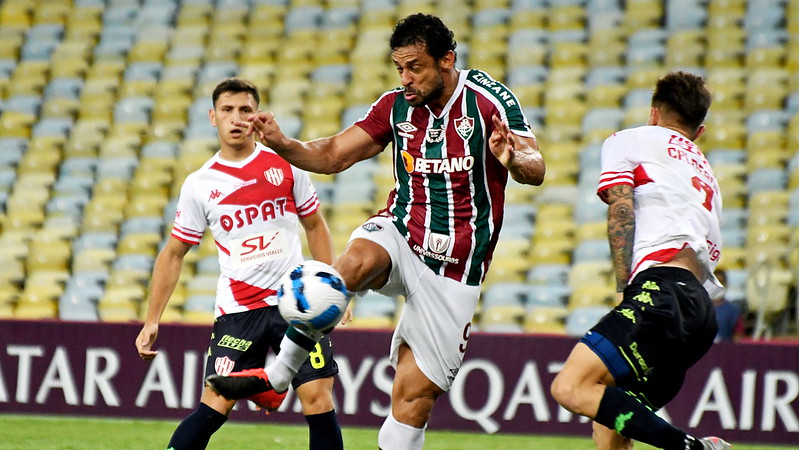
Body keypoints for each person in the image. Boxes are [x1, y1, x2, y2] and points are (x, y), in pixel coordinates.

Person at [206, 13, 545, 449]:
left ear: (446, 60)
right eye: (399, 68)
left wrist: (512, 158)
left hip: (456, 269)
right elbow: (333, 154)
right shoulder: (395, 106)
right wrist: (283, 144)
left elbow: (536, 168)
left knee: (412, 402)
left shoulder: (487, 100)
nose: (405, 79)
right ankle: (278, 375)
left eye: (415, 68)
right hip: (401, 231)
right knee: (344, 268)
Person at [134, 78, 346, 450]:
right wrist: (152, 319)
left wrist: (333, 288)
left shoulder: (286, 163)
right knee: (214, 405)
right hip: (238, 311)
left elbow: (315, 224)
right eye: (227, 110)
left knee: (317, 398)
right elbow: (173, 253)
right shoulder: (199, 184)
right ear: (212, 117)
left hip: (294, 305)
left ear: (256, 116)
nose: (236, 118)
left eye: (245, 110)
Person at [550, 71, 731, 450]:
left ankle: (693, 448)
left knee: (571, 387)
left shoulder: (630, 139)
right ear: (699, 132)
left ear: (654, 113)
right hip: (700, 312)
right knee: (610, 429)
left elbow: (621, 207)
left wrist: (624, 288)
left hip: (661, 291)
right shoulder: (707, 174)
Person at [712, 269, 744, 342]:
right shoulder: (699, 309)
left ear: (726, 284)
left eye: (721, 282)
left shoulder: (734, 311)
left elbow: (738, 336)